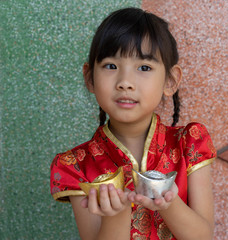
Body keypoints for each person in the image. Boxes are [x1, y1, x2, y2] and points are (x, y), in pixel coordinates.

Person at [50, 7, 216, 240]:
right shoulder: (78, 165)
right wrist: (116, 215)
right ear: (89, 78)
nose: (125, 82)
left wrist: (168, 204)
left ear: (170, 81)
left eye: (144, 67)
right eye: (111, 66)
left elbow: (204, 237)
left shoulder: (189, 143)